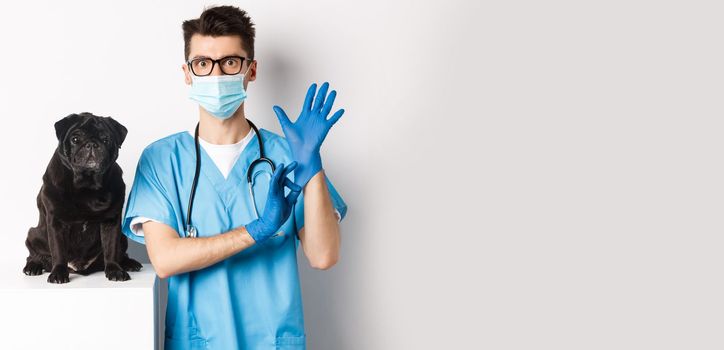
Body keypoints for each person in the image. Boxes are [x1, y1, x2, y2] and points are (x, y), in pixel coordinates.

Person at [121, 6, 348, 350]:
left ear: (250, 69)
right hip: (198, 342)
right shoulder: (162, 160)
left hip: (271, 341)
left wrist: (312, 167)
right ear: (187, 73)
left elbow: (323, 256)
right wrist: (256, 230)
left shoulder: (289, 154)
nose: (216, 75)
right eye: (202, 63)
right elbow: (165, 260)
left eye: (230, 62)